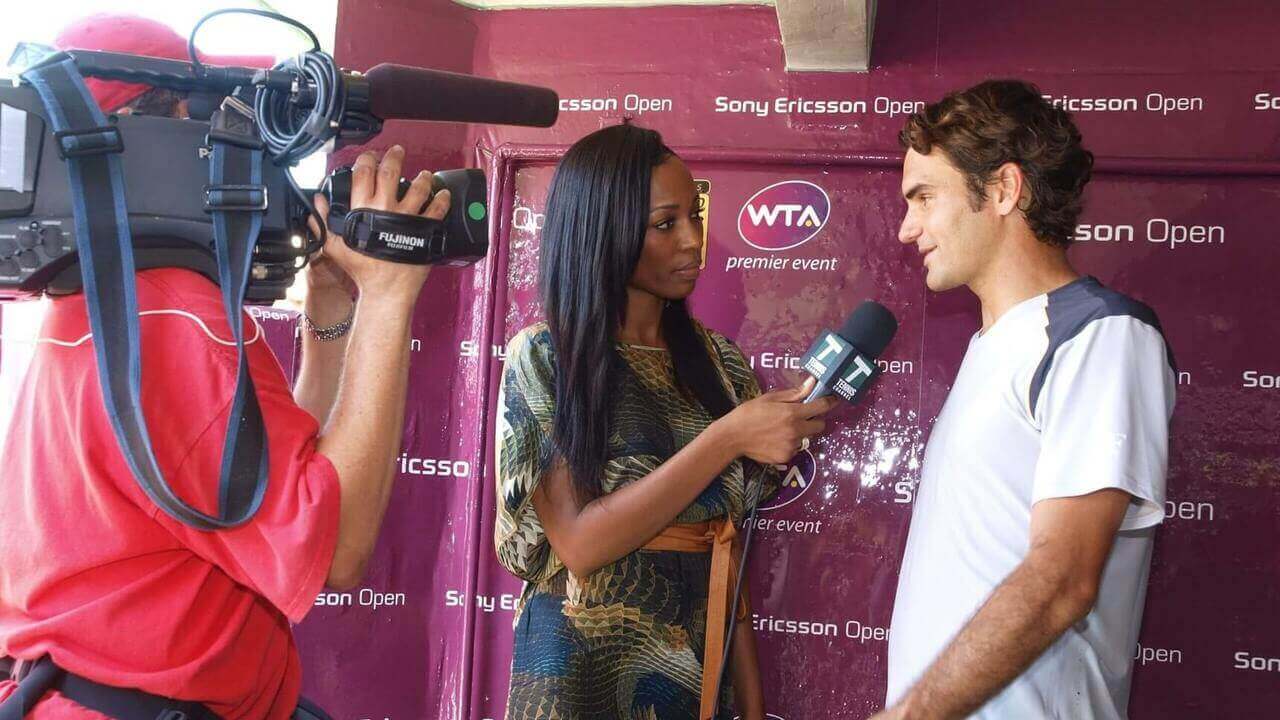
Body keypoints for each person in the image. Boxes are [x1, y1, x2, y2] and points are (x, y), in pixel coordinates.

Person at [0, 15, 450, 719]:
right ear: (145, 138)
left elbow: (263, 492)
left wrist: (328, 308)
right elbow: (335, 551)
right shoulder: (170, 315)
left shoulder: (110, 301)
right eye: (200, 119)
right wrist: (391, 294)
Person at [494, 123, 836, 720]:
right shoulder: (548, 356)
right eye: (665, 223)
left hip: (698, 673)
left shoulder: (721, 364)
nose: (693, 241)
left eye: (694, 217)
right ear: (605, 230)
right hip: (578, 677)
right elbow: (580, 542)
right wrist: (728, 437)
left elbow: (729, 554)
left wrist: (752, 705)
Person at [873, 80, 1177, 720]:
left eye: (925, 197)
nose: (907, 228)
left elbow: (1061, 580)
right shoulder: (992, 346)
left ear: (1005, 190)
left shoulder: (1100, 333)